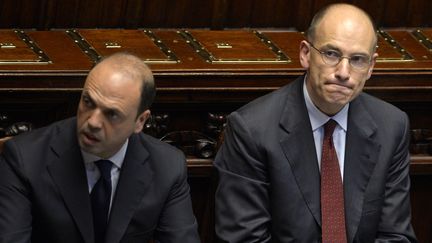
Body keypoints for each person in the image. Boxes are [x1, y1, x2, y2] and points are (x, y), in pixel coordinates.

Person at [214, 3, 417, 243]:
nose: (343, 71)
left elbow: (395, 236)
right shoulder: (252, 130)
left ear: (371, 66)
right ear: (305, 54)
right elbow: (245, 239)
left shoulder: (391, 126)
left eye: (358, 59)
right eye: (331, 53)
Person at [0, 52, 201, 243]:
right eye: (88, 102)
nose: (93, 122)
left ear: (140, 121)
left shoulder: (168, 166)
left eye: (112, 114)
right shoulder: (25, 158)